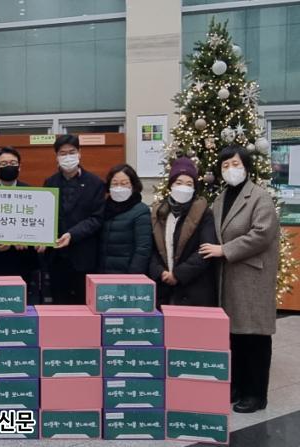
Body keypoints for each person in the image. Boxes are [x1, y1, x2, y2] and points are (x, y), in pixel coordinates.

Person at [199, 145, 280, 414]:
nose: (230, 170)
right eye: (225, 166)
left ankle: (256, 394)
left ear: (246, 166)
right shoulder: (221, 198)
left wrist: (225, 250)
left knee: (254, 336)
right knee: (235, 336)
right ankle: (237, 387)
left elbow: (262, 234)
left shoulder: (259, 197)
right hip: (229, 277)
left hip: (251, 277)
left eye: (235, 164)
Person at [43, 134, 105, 304]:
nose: (67, 157)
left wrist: (72, 234)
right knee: (59, 305)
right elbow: (45, 216)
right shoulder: (50, 183)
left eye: (72, 152)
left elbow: (97, 219)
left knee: (84, 306)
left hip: (83, 256)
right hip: (57, 258)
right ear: (56, 156)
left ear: (79, 153)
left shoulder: (95, 183)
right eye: (63, 153)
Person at [148, 157, 217, 307]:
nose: (183, 187)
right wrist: (160, 272)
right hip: (163, 289)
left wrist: (178, 274)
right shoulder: (159, 213)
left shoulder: (204, 213)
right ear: (171, 185)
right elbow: (151, 249)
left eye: (189, 184)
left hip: (194, 289)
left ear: (194, 188)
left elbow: (205, 250)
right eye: (178, 183)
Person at [0, 147, 39, 302]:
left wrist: (25, 239)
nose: (9, 167)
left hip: (22, 261)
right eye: (4, 164)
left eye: (13, 163)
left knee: (21, 305)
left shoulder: (33, 194)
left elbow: (37, 227)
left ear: (19, 167)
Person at [98, 164, 152, 274]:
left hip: (127, 273)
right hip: (102, 273)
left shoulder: (140, 211)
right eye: (115, 183)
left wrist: (133, 276)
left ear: (133, 185)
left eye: (124, 183)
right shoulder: (103, 208)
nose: (119, 187)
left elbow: (143, 248)